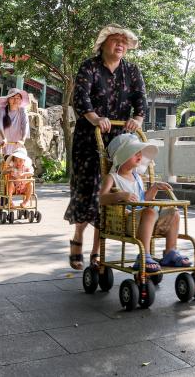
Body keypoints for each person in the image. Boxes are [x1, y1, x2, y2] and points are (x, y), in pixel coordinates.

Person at [64, 24, 146, 270]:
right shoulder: (89, 67)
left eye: (124, 41)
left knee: (110, 189)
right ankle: (78, 236)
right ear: (103, 44)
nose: (120, 44)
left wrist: (137, 119)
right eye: (115, 40)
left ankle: (97, 250)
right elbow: (81, 97)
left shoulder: (131, 70)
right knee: (86, 189)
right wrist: (95, 118)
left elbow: (140, 100)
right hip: (89, 137)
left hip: (119, 140)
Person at [100, 133, 190, 272]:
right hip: (127, 221)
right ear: (122, 156)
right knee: (149, 212)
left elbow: (143, 200)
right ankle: (144, 255)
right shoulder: (112, 178)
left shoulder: (137, 177)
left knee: (174, 213)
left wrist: (154, 188)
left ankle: (170, 251)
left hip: (146, 218)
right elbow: (101, 198)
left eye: (140, 152)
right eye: (135, 152)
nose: (140, 155)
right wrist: (121, 195)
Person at [0, 87, 31, 204]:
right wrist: (3, 138)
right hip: (1, 146)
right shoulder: (2, 110)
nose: (15, 100)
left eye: (18, 98)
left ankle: (10, 199)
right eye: (13, 98)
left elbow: (25, 126)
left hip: (15, 150)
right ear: (8, 100)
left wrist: (22, 140)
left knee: (13, 174)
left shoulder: (22, 111)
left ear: (21, 100)